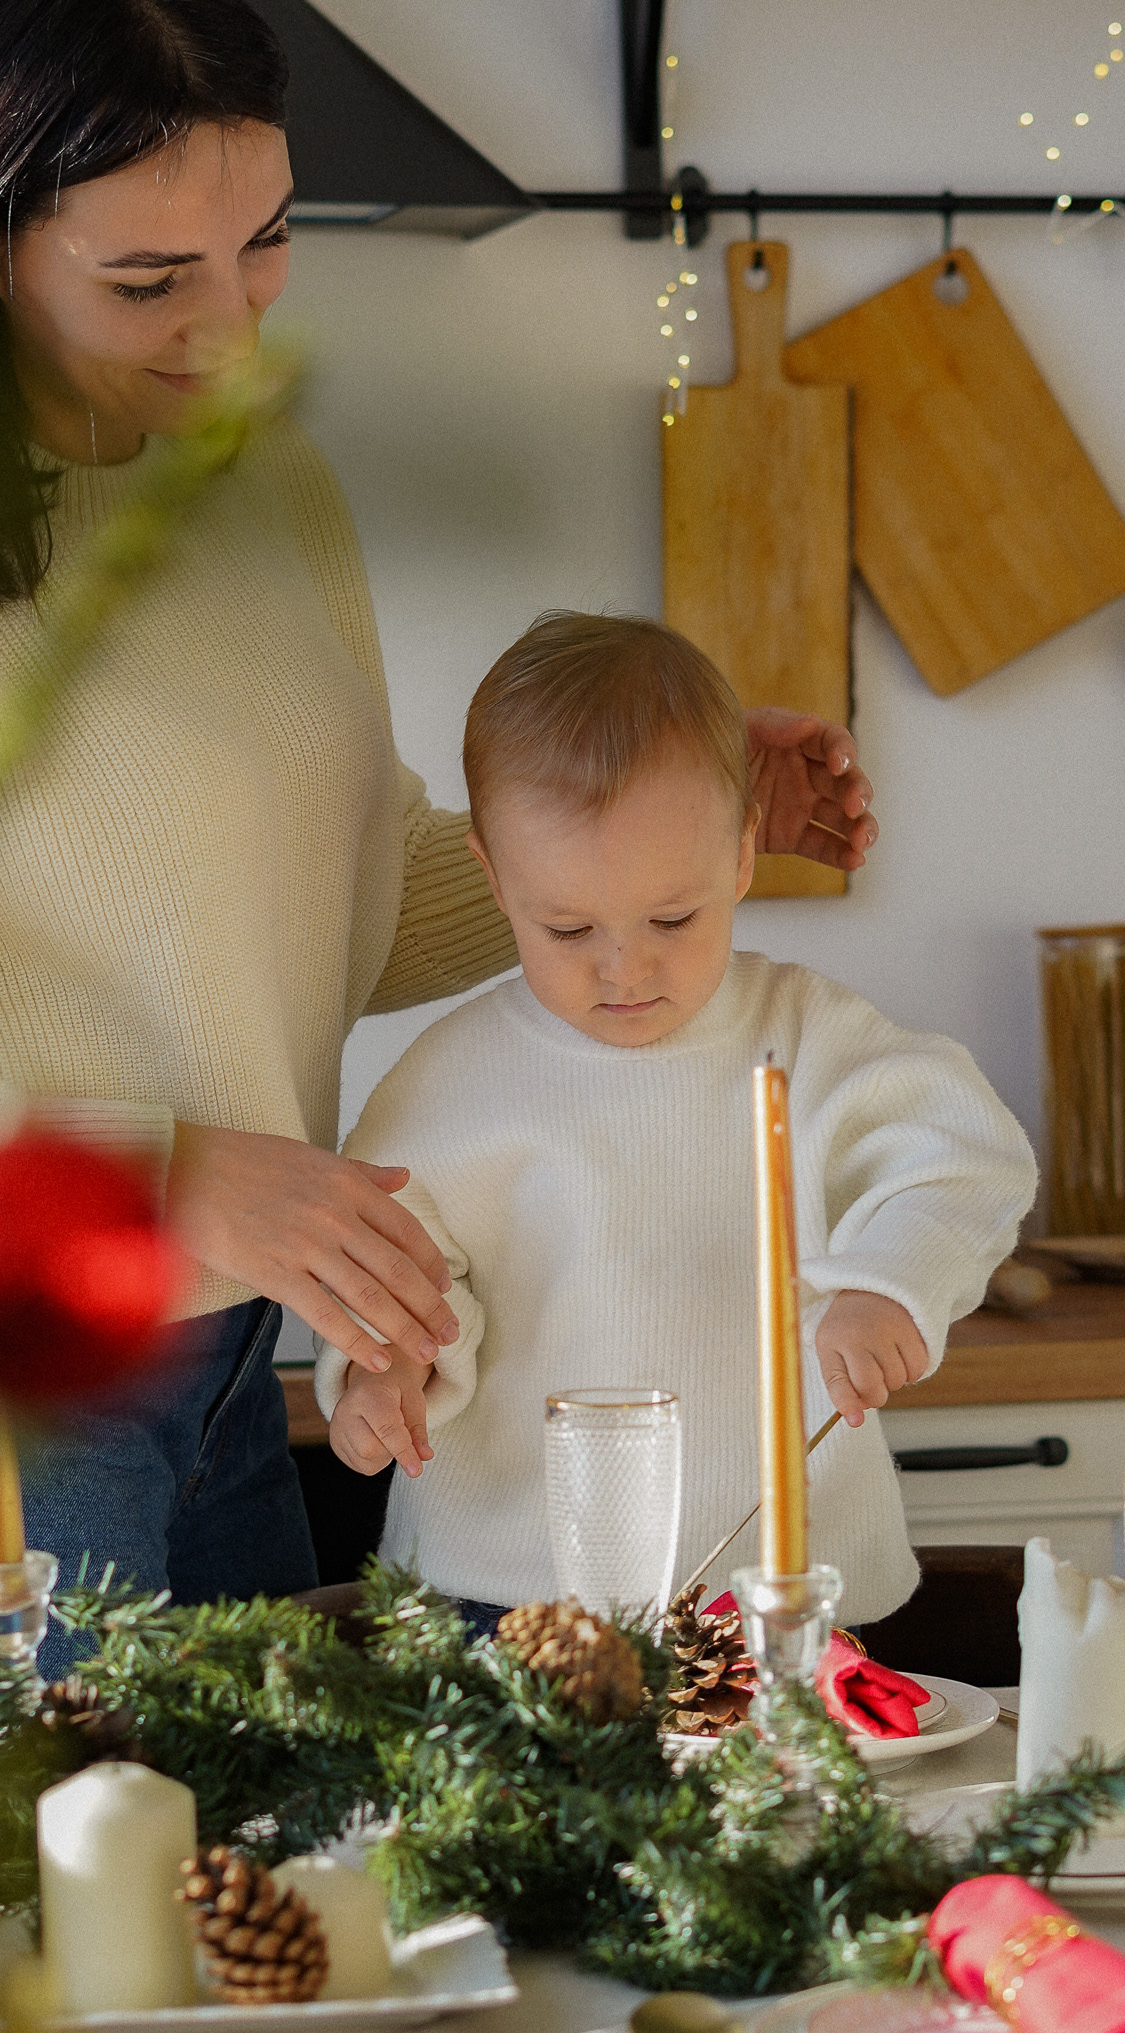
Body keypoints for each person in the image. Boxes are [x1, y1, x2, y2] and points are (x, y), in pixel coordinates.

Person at [0, 0, 878, 1740]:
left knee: (266, 1966)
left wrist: (657, 821)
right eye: (147, 277)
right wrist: (174, 1174)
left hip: (218, 1375)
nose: (227, 320)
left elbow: (335, 895)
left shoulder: (260, 491)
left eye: (261, 244)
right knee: (28, 2000)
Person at [318, 612, 1035, 1625]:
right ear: (493, 878)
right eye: (566, 927)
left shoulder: (812, 1035)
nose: (624, 968)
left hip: (788, 1589)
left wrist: (891, 1286)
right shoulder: (444, 1083)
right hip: (502, 1591)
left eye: (672, 918)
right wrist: (383, 1369)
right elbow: (392, 1265)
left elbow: (963, 1162)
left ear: (743, 855)